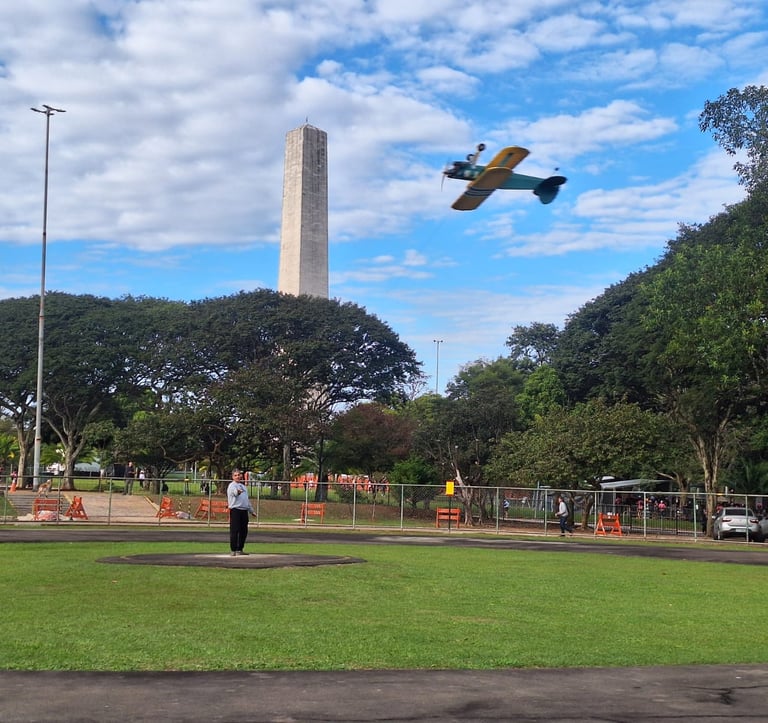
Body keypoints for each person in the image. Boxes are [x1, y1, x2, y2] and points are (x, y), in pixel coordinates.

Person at [227, 470, 254, 556]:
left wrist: (251, 511)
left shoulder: (243, 487)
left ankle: (240, 549)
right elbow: (235, 493)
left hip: (244, 510)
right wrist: (238, 492)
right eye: (235, 475)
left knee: (244, 531)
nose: (238, 476)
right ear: (233, 477)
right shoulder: (232, 486)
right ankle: (233, 549)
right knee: (235, 530)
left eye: (239, 475)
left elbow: (246, 500)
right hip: (236, 510)